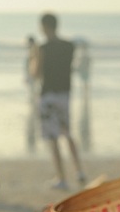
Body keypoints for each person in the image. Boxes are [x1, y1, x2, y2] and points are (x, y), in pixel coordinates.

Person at [33, 13, 86, 189]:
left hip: (48, 95)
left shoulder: (43, 48)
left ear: (44, 26)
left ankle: (61, 177)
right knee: (68, 133)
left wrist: (33, 56)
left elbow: (36, 73)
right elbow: (70, 68)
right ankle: (79, 171)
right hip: (65, 93)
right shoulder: (69, 46)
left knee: (53, 137)